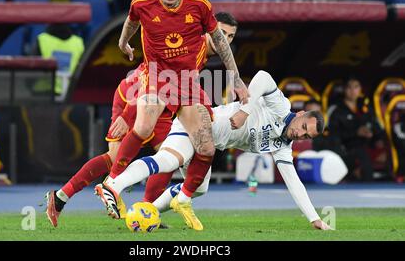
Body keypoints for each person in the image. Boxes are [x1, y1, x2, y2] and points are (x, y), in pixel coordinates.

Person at [44, 12, 239, 227]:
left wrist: (206, 108)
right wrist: (129, 113)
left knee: (168, 157)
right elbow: (152, 75)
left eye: (230, 37)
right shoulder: (192, 45)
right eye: (222, 33)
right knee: (115, 155)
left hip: (163, 105)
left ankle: (148, 209)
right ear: (210, 29)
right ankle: (72, 194)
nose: (225, 41)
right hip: (133, 94)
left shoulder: (202, 52)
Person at [96, 0, 248, 227]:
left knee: (206, 147)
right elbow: (131, 22)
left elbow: (220, 42)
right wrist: (123, 43)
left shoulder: (199, 6)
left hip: (187, 84)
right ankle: (112, 185)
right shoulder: (142, 3)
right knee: (143, 127)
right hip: (157, 76)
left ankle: (183, 197)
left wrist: (235, 78)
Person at [99, 70, 332, 231]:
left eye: (306, 136)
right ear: (300, 115)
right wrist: (246, 111)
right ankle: (113, 185)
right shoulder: (282, 107)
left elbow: (294, 182)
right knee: (168, 161)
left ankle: (149, 211)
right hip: (200, 123)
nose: (300, 135)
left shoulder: (282, 146)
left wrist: (314, 218)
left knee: (199, 187)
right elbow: (263, 77)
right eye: (303, 127)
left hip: (208, 146)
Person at [328, 77, 388, 181]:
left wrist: (377, 139)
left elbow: (377, 128)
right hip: (347, 150)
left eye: (356, 87)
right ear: (344, 89)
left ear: (360, 89)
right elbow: (332, 136)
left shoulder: (365, 107)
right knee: (361, 155)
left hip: (369, 147)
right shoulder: (336, 109)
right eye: (349, 87)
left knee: (389, 152)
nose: (352, 91)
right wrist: (356, 133)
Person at [35, 24, 84, 97]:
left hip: (43, 93)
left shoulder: (41, 39)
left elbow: (32, 69)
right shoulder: (78, 42)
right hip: (70, 93)